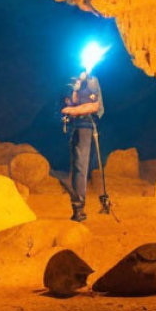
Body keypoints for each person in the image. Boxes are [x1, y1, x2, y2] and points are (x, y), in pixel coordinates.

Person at [61, 70, 104, 222]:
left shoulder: (92, 82)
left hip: (85, 126)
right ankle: (77, 206)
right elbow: (65, 103)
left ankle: (79, 209)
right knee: (70, 168)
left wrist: (73, 110)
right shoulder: (72, 81)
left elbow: (94, 106)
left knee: (80, 167)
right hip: (71, 127)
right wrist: (74, 92)